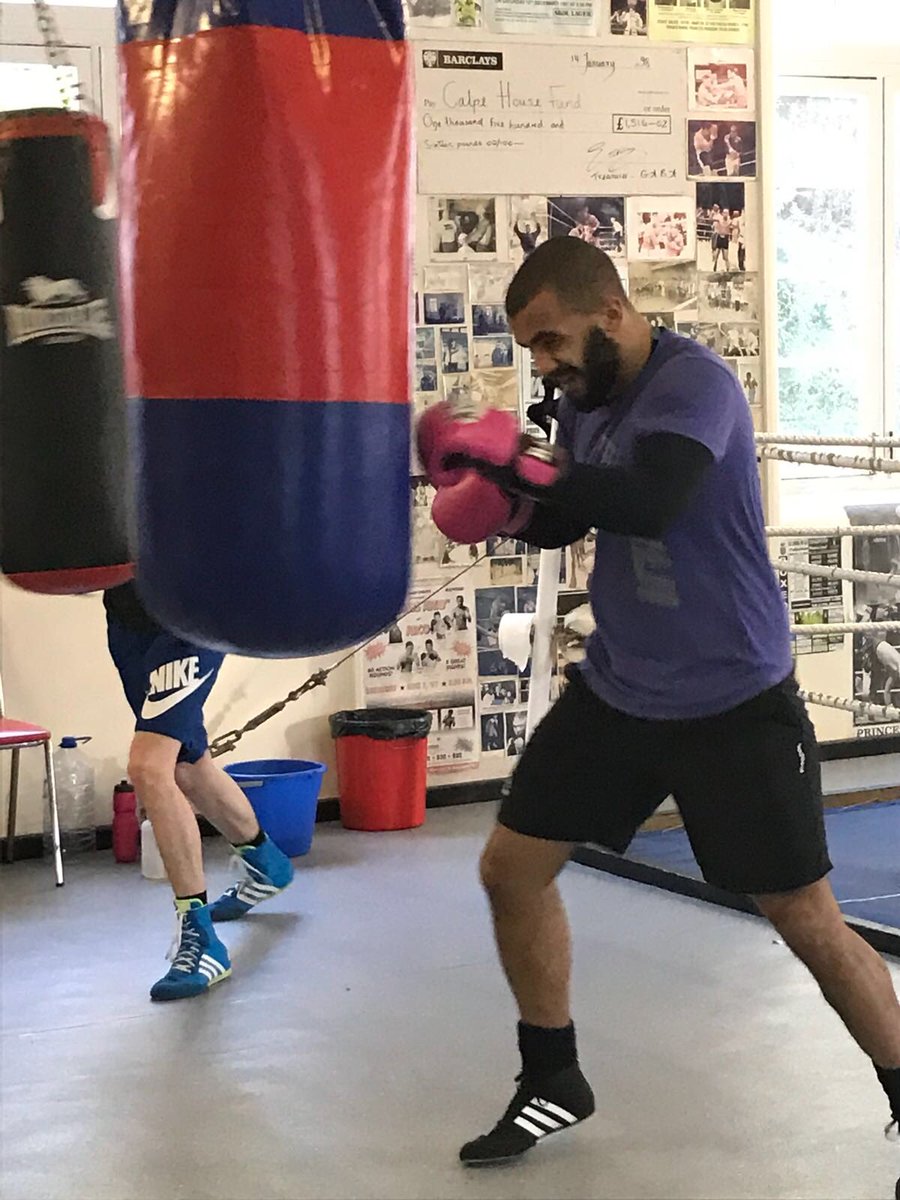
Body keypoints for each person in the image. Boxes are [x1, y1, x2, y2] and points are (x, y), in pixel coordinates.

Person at [415, 237, 900, 1172]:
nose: (543, 365)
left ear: (610, 313)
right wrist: (501, 500)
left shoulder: (694, 385)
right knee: (511, 870)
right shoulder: (585, 399)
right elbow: (571, 514)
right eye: (532, 348)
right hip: (623, 687)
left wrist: (521, 461)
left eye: (551, 340)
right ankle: (553, 1076)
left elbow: (651, 500)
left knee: (805, 918)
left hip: (733, 700)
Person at [103, 581, 294, 1002]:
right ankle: (267, 863)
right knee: (186, 764)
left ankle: (201, 939)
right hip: (128, 616)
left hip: (192, 613)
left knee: (149, 766)